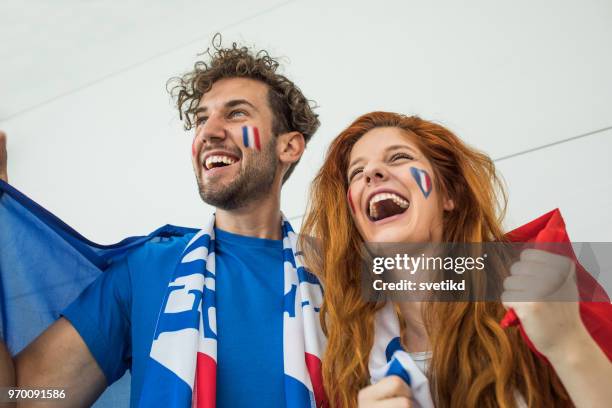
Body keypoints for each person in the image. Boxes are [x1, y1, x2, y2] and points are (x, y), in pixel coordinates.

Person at [0, 39, 326, 407]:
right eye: (203, 119)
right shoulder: (146, 268)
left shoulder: (338, 269)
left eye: (236, 114)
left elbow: (404, 341)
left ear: (289, 147)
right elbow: (18, 399)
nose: (209, 132)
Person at [300, 111, 612, 407]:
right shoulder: (353, 356)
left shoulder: (543, 294)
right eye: (357, 172)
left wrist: (568, 343)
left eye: (399, 157)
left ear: (449, 194)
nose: (372, 173)